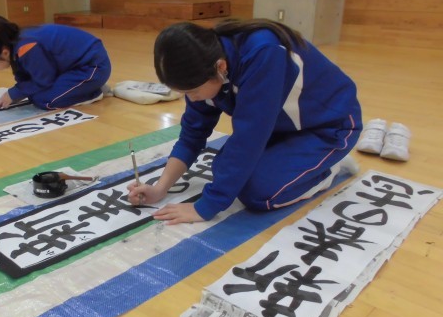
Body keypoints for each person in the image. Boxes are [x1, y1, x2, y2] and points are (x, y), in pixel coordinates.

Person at [128, 19, 362, 225]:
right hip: (280, 127)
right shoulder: (205, 65)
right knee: (223, 169)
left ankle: (328, 168)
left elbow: (248, 140)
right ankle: (308, 163)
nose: (192, 99)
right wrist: (160, 188)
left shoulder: (264, 53)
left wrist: (205, 207)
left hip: (329, 127)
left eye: (193, 92)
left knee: (258, 193)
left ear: (220, 67)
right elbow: (192, 134)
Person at [0, 15, 112, 110]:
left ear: (4, 53)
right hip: (73, 68)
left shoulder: (27, 47)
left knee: (44, 100)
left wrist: (13, 93)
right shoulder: (18, 44)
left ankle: (94, 92)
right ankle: (86, 87)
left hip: (93, 67)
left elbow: (44, 80)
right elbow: (26, 79)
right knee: (33, 96)